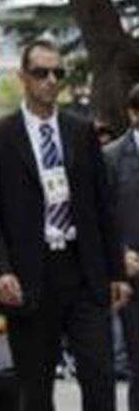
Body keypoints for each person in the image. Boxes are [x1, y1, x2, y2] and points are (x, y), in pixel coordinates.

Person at [0, 39, 131, 411]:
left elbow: (102, 207)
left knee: (100, 377)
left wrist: (116, 271)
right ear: (23, 78)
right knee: (35, 387)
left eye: (58, 73)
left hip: (83, 271)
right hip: (28, 275)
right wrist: (0, 270)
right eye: (42, 73)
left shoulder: (81, 132)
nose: (51, 80)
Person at [103, 84, 139, 411]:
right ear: (133, 113)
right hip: (132, 277)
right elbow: (100, 217)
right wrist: (120, 253)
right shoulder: (112, 158)